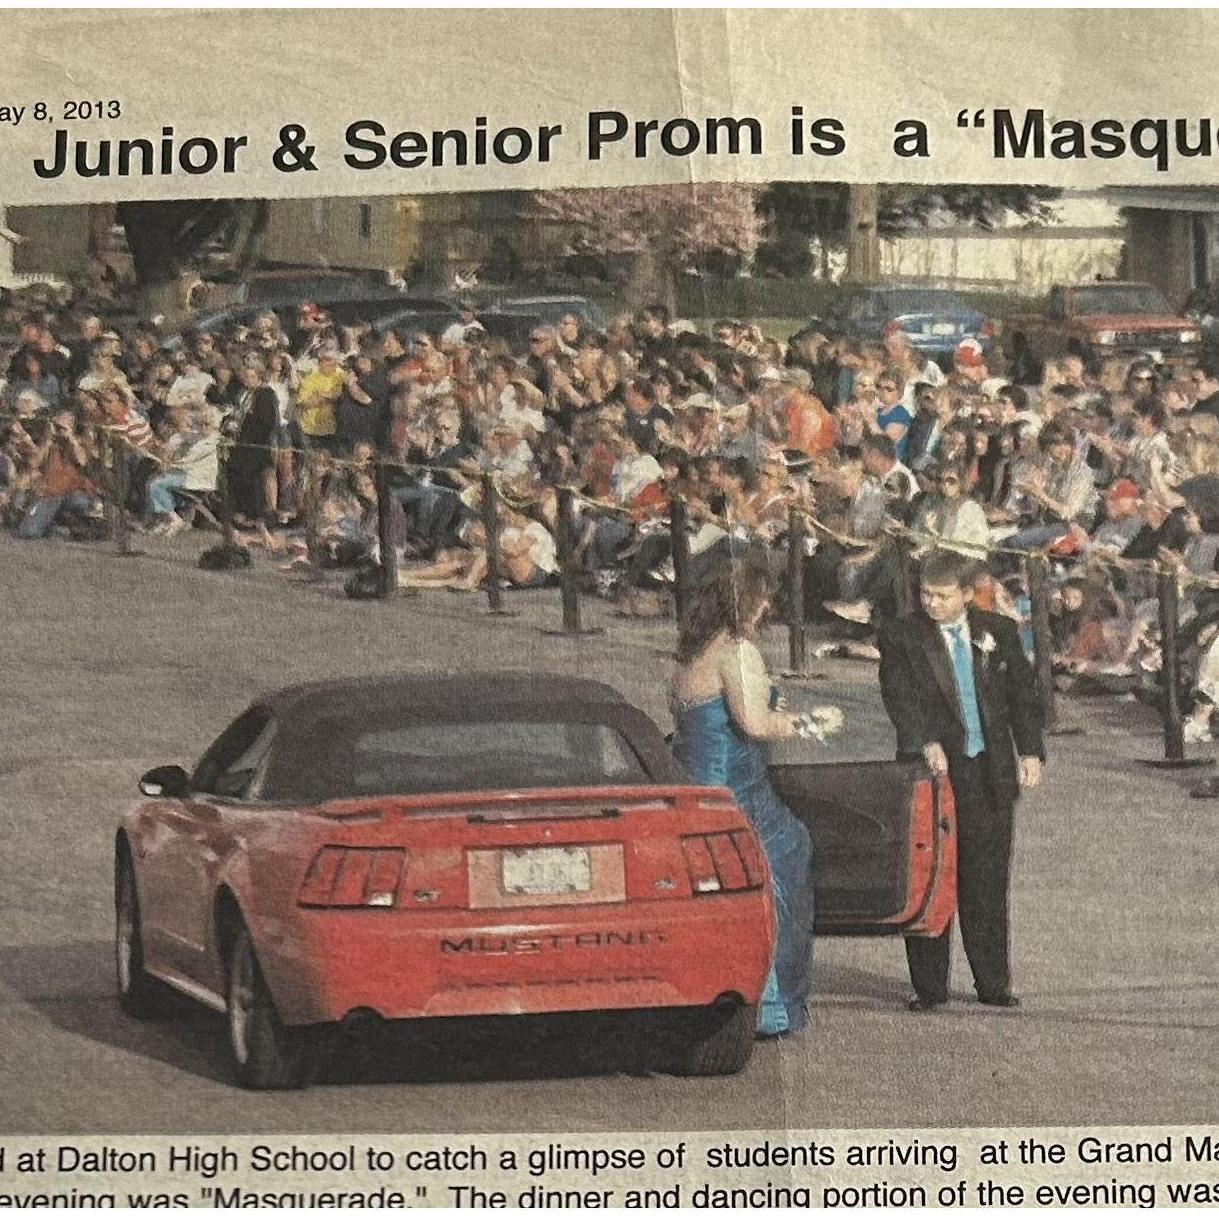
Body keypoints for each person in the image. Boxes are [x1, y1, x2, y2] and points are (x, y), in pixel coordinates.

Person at [877, 549, 1045, 1013]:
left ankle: (992, 982)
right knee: (932, 877)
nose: (931, 603)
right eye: (926, 594)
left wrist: (1029, 750)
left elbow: (1023, 698)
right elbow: (898, 693)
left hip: (988, 771)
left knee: (988, 880)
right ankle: (929, 987)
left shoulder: (1000, 632)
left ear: (967, 596)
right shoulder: (903, 635)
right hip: (936, 772)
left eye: (942, 595)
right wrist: (922, 738)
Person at [669, 559, 815, 1038]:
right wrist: (805, 724)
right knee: (787, 858)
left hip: (698, 788)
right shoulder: (737, 651)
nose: (767, 607)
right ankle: (773, 1006)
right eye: (763, 600)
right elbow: (753, 724)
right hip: (741, 793)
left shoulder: (694, 653)